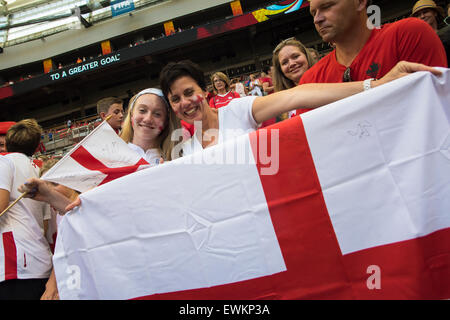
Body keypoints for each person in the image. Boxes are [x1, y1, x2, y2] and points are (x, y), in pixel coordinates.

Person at [159, 59, 441, 157]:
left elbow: (300, 95)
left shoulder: (238, 110)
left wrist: (376, 85)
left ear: (205, 92)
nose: (184, 103)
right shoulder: (184, 149)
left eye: (189, 93)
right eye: (175, 99)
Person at [0, 119, 53, 300]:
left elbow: (0, 205)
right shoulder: (38, 169)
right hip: (40, 259)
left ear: (7, 141)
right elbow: (46, 224)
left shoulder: (4, 162)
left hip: (15, 262)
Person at [120, 88, 182, 163]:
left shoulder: (177, 160)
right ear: (131, 115)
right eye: (142, 110)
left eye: (157, 114)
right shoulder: (111, 158)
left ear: (166, 122)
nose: (148, 119)